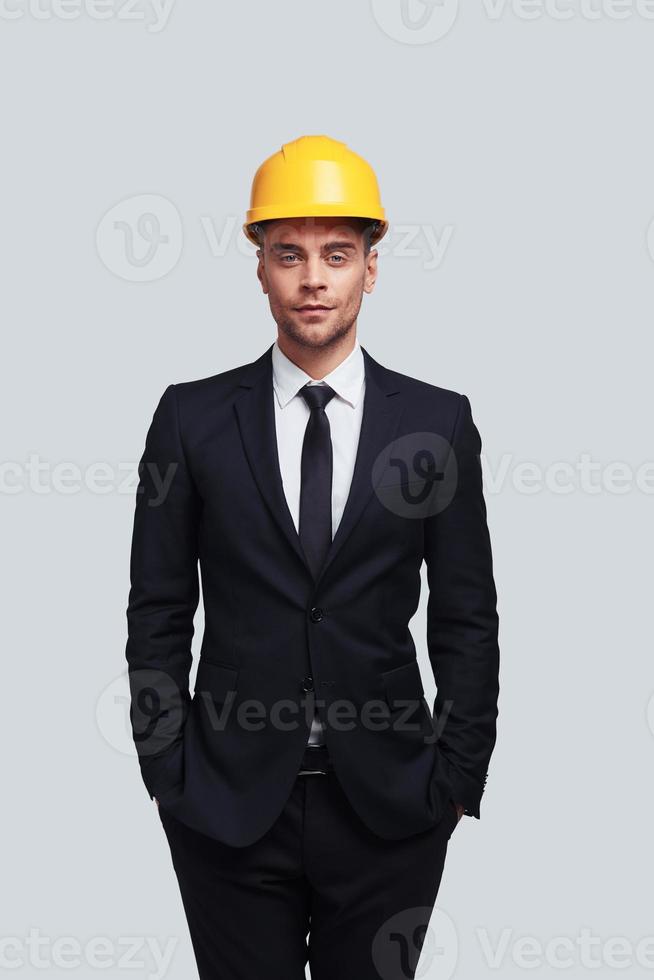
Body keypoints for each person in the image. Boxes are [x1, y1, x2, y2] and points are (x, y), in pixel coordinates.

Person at [125, 134, 500, 980]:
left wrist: (457, 778)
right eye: (287, 254)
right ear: (259, 266)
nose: (312, 278)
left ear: (372, 266)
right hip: (225, 804)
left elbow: (468, 614)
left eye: (337, 254)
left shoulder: (434, 423)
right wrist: (167, 774)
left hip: (391, 806)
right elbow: (156, 609)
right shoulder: (191, 419)